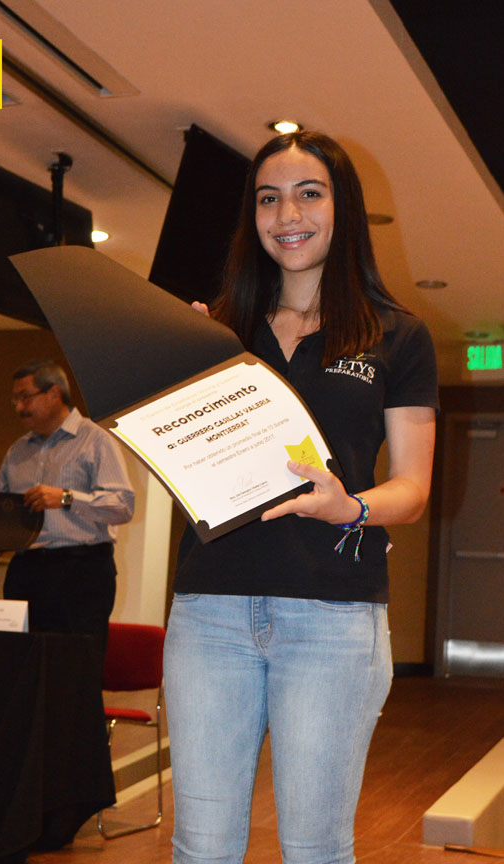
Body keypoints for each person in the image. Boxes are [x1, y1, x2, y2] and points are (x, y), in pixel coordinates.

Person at [163, 131, 438, 864]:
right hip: (209, 609)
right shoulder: (215, 330)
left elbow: (413, 489)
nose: (287, 214)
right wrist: (173, 364)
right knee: (200, 848)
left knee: (315, 849)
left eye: (308, 194)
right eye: (268, 198)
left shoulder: (397, 335)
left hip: (333, 616)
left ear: (342, 208)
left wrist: (349, 506)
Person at [0, 360, 134, 662]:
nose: (19, 407)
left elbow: (122, 506)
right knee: (22, 666)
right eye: (15, 400)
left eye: (25, 397)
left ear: (54, 393)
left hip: (81, 571)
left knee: (76, 667)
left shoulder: (96, 439)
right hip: (26, 570)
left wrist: (67, 498)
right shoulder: (17, 451)